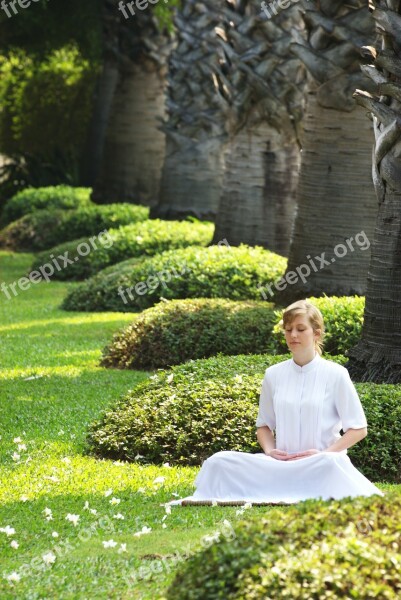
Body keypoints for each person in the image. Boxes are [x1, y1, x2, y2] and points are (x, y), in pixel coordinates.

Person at [168, 300, 383, 506]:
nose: (293, 335)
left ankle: (307, 481)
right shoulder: (274, 375)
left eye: (300, 329)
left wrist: (326, 453)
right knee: (218, 461)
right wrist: (271, 452)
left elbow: (358, 429)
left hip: (320, 466)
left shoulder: (336, 374)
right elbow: (263, 426)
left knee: (331, 464)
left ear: (316, 333)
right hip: (281, 466)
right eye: (288, 329)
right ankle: (283, 484)